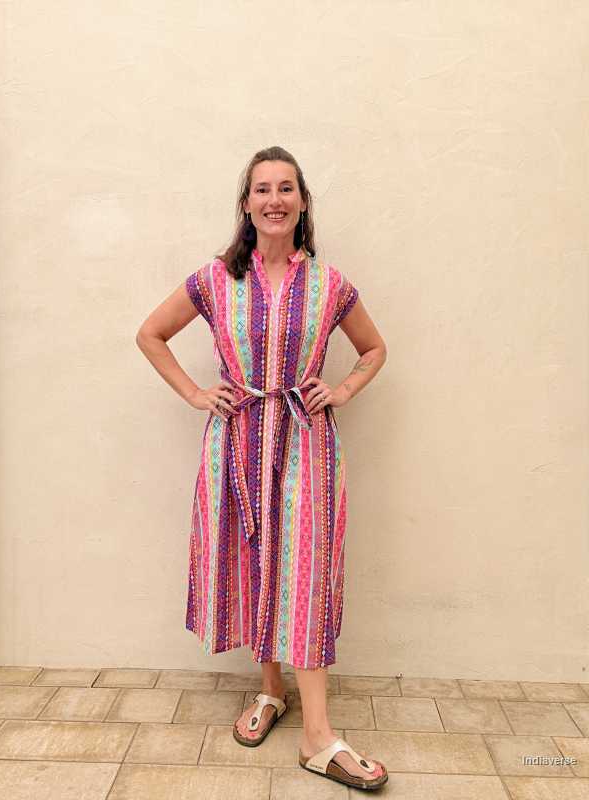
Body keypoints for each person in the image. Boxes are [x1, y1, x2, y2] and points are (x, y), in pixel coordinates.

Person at [136, 146, 388, 790]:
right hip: (238, 442)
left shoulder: (330, 284)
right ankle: (271, 692)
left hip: (306, 444)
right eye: (262, 189)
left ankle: (319, 736)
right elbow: (150, 334)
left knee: (302, 572)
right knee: (254, 564)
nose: (274, 199)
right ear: (246, 204)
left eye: (286, 188)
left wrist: (346, 390)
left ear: (302, 202)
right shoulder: (217, 279)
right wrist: (196, 394)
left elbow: (373, 348)